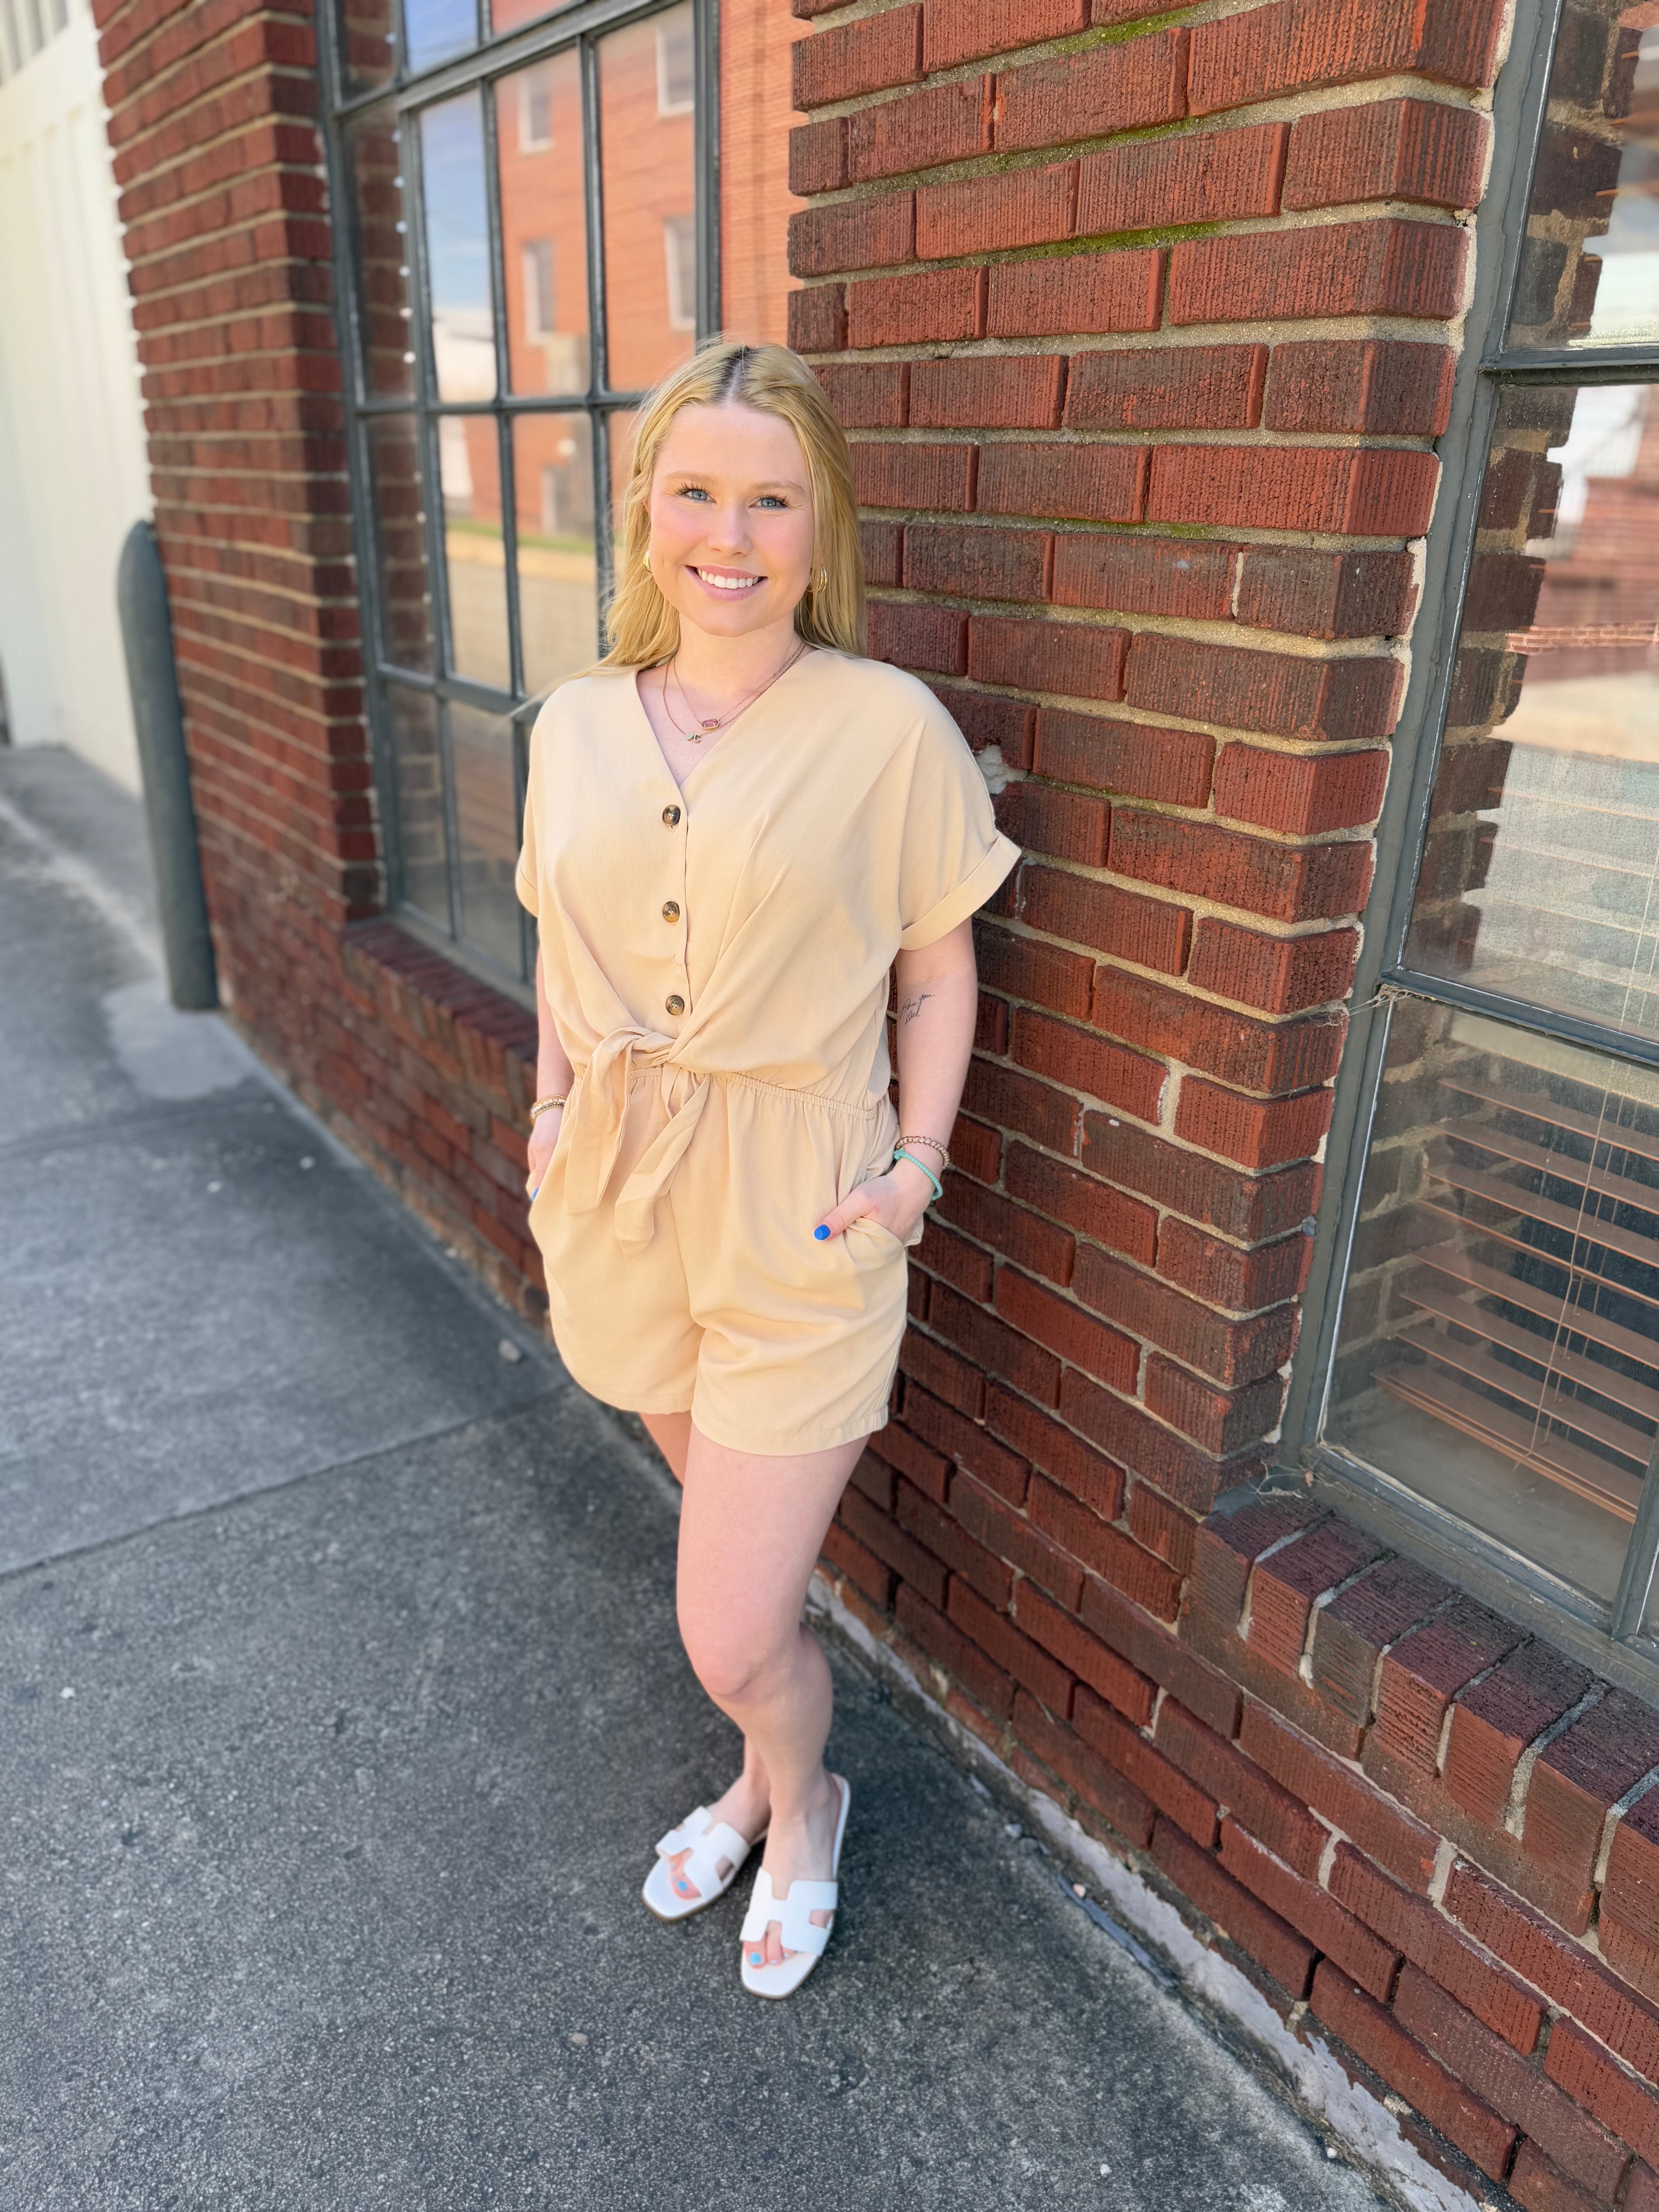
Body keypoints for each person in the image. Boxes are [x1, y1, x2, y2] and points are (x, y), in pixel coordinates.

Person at [514, 338, 1019, 1999]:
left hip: (803, 1210)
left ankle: (805, 1807)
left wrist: (917, 1170)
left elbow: (937, 970)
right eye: (695, 493)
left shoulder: (885, 728)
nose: (728, 536)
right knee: (725, 1575)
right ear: (644, 509)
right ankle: (757, 1775)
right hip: (620, 1198)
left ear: (821, 523)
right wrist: (548, 1109)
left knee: (730, 1626)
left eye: (770, 501)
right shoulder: (576, 723)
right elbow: (557, 942)